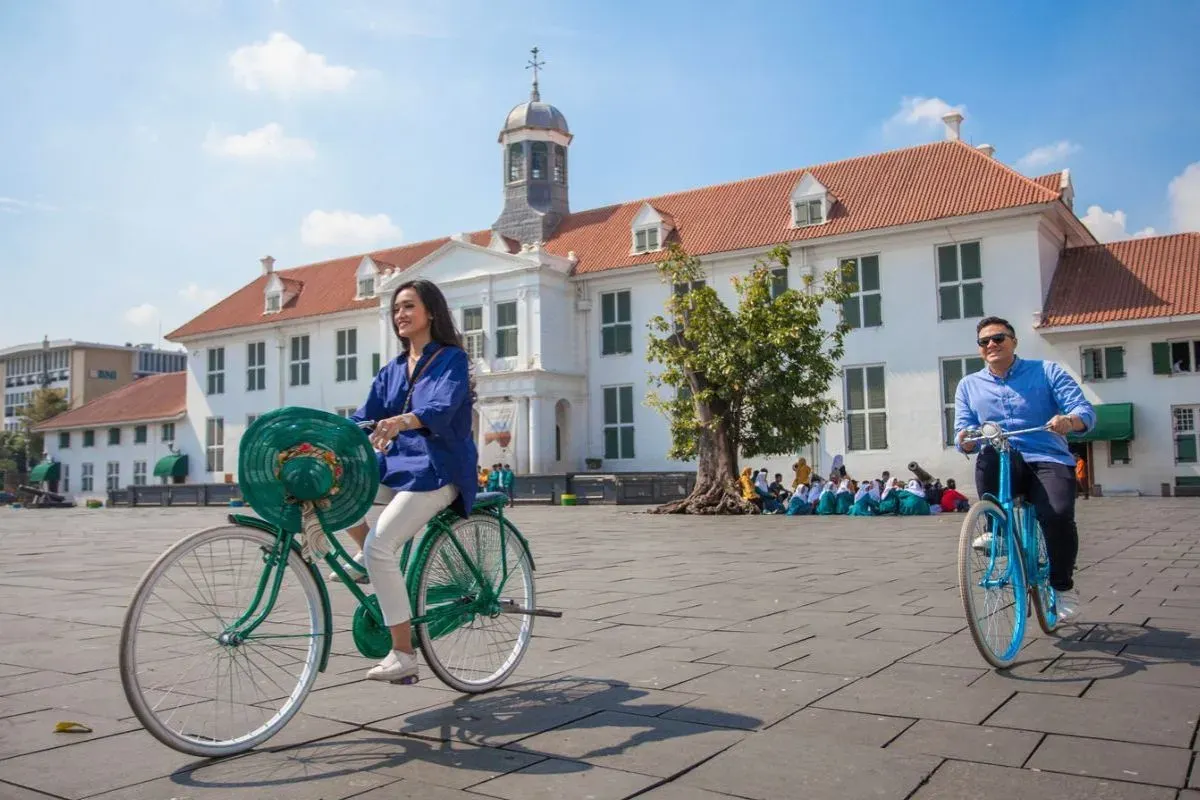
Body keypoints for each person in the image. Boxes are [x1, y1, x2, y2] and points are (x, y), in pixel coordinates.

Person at [333, 279, 478, 684]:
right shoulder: (392, 370)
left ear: (431, 312)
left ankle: (403, 653)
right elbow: (364, 417)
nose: (400, 314)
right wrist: (330, 435)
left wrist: (403, 420)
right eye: (396, 308)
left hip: (438, 468)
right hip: (397, 466)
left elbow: (442, 408)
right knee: (338, 489)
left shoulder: (451, 360)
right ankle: (370, 560)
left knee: (380, 546)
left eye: (409, 306)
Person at [955, 316, 1094, 623]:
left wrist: (1069, 421)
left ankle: (1062, 586)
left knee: (1057, 515)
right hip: (1003, 459)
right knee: (990, 451)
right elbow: (963, 429)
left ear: (1014, 341)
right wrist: (965, 440)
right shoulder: (968, 385)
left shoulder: (1047, 371)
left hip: (1047, 457)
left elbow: (1084, 411)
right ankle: (995, 532)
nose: (992, 344)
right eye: (984, 341)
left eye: (998, 338)